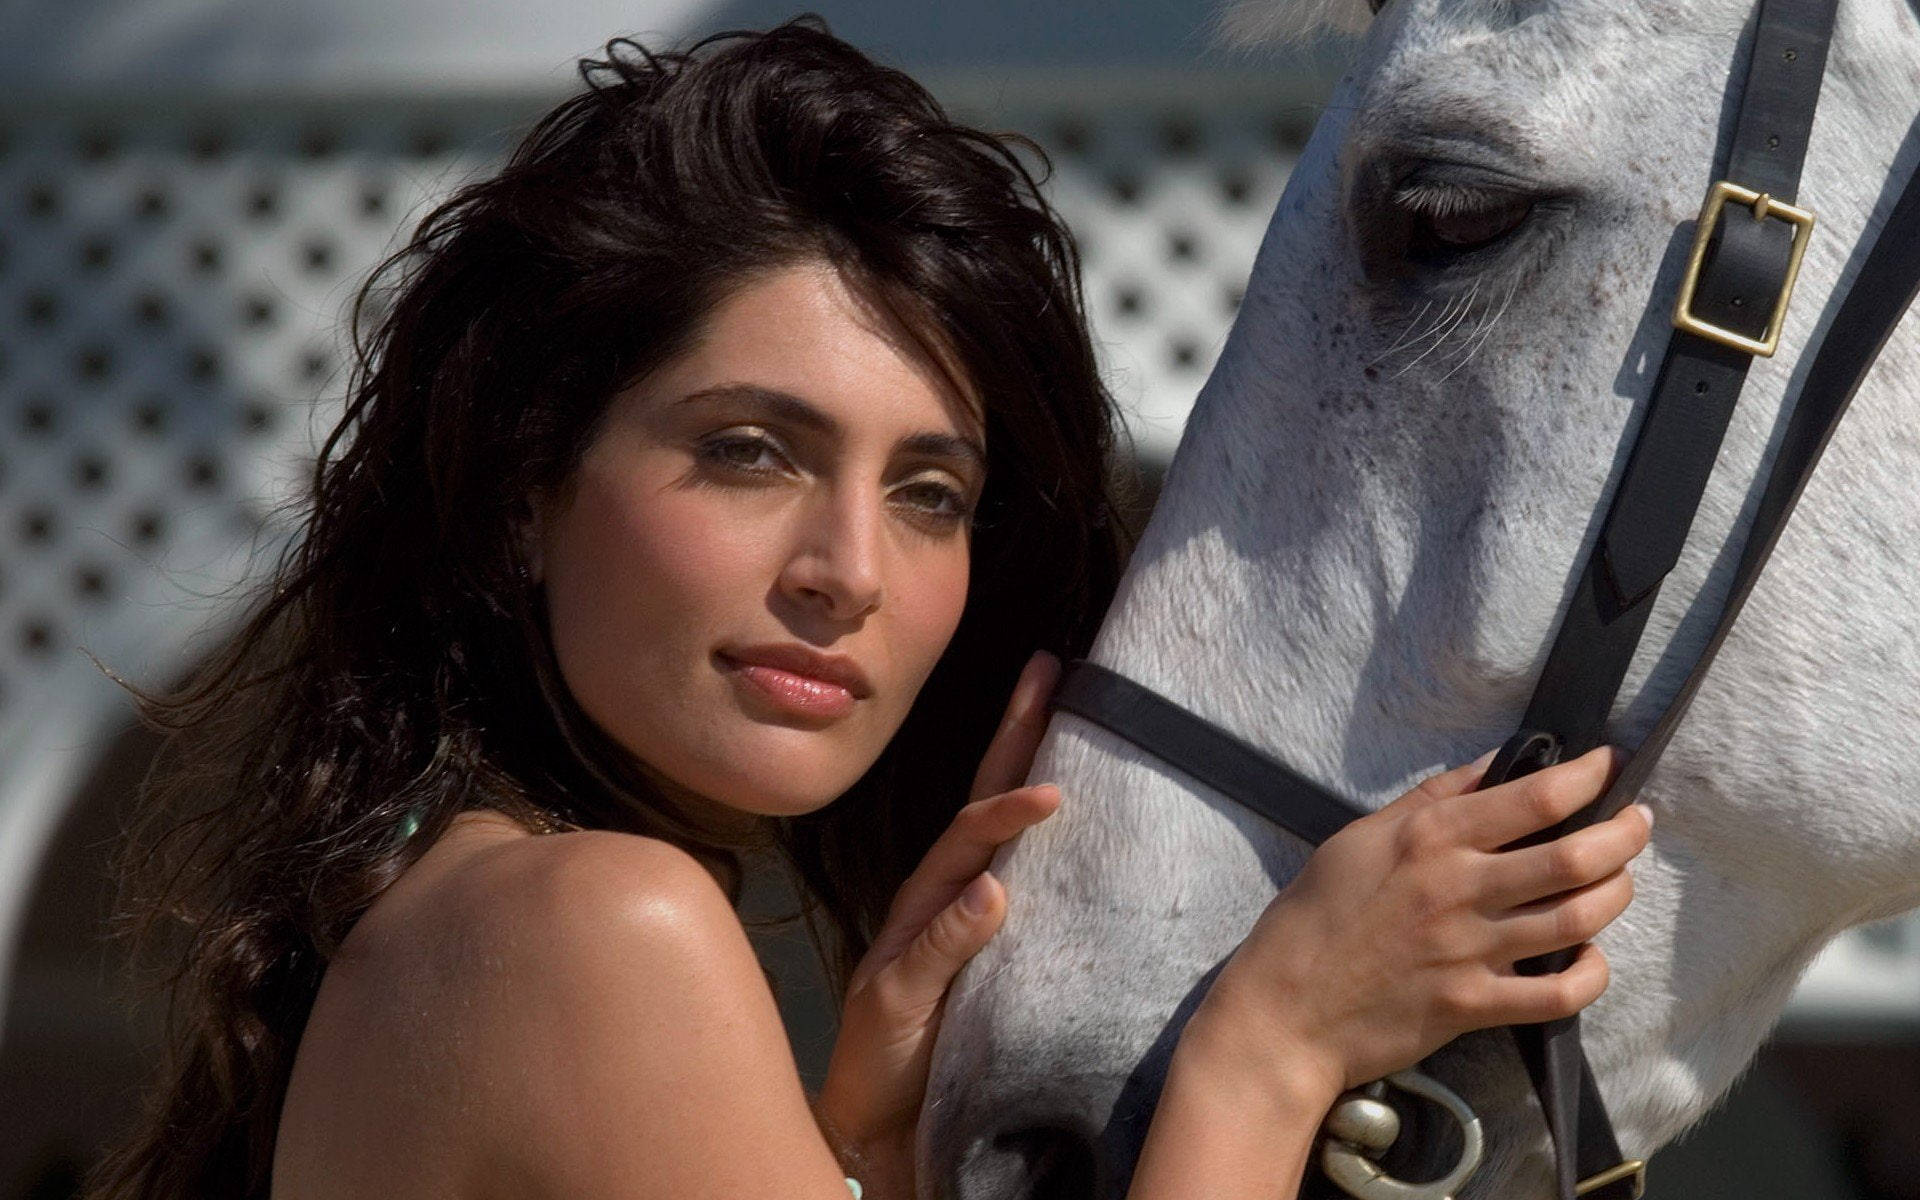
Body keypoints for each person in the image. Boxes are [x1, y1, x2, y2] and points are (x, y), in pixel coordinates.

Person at [83, 18, 1652, 1200]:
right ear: (521, 491)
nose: (848, 571)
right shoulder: (594, 930)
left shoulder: (455, 922)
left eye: (930, 493)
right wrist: (1274, 1045)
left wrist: (855, 1144)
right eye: (749, 451)